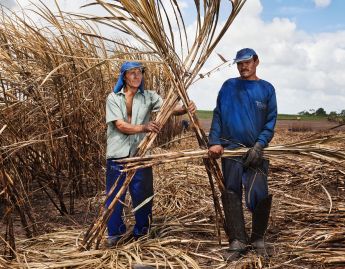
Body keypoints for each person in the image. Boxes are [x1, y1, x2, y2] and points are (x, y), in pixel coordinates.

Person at [105, 61, 196, 247]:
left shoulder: (149, 97)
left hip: (141, 153)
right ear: (124, 76)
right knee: (114, 196)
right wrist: (144, 127)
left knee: (143, 194)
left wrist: (185, 108)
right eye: (132, 73)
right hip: (118, 155)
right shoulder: (113, 98)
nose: (137, 76)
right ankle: (115, 234)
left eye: (139, 72)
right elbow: (119, 125)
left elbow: (170, 109)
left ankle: (142, 233)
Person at [208, 48, 277, 259]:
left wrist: (259, 146)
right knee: (231, 191)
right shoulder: (229, 86)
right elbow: (218, 114)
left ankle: (258, 239)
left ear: (256, 61)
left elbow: (270, 121)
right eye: (239, 63)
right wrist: (214, 142)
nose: (243, 66)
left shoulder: (266, 89)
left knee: (259, 192)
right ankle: (237, 240)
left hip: (256, 151)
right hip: (230, 150)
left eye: (247, 62)